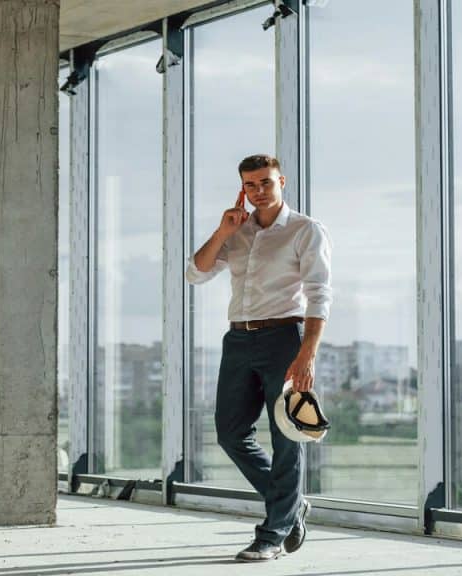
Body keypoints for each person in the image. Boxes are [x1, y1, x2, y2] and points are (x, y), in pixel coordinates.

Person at [185, 154, 332, 562]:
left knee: (287, 435)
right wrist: (222, 231)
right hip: (238, 339)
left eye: (265, 182)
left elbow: (320, 294)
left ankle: (273, 533)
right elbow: (195, 273)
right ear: (242, 189)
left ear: (281, 181)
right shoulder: (239, 231)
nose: (258, 192)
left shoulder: (306, 230)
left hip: (285, 336)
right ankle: (289, 505)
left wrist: (307, 354)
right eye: (250, 185)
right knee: (230, 432)